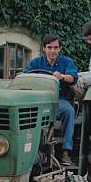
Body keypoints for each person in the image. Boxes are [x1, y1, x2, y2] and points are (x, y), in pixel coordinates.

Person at [24, 34, 77, 166]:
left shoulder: (67, 62)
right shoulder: (36, 62)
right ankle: (28, 149)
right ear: (44, 48)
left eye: (55, 48)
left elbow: (73, 77)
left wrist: (63, 76)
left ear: (59, 49)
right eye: (49, 47)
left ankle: (66, 152)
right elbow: (25, 75)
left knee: (69, 111)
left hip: (59, 100)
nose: (52, 51)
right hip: (40, 100)